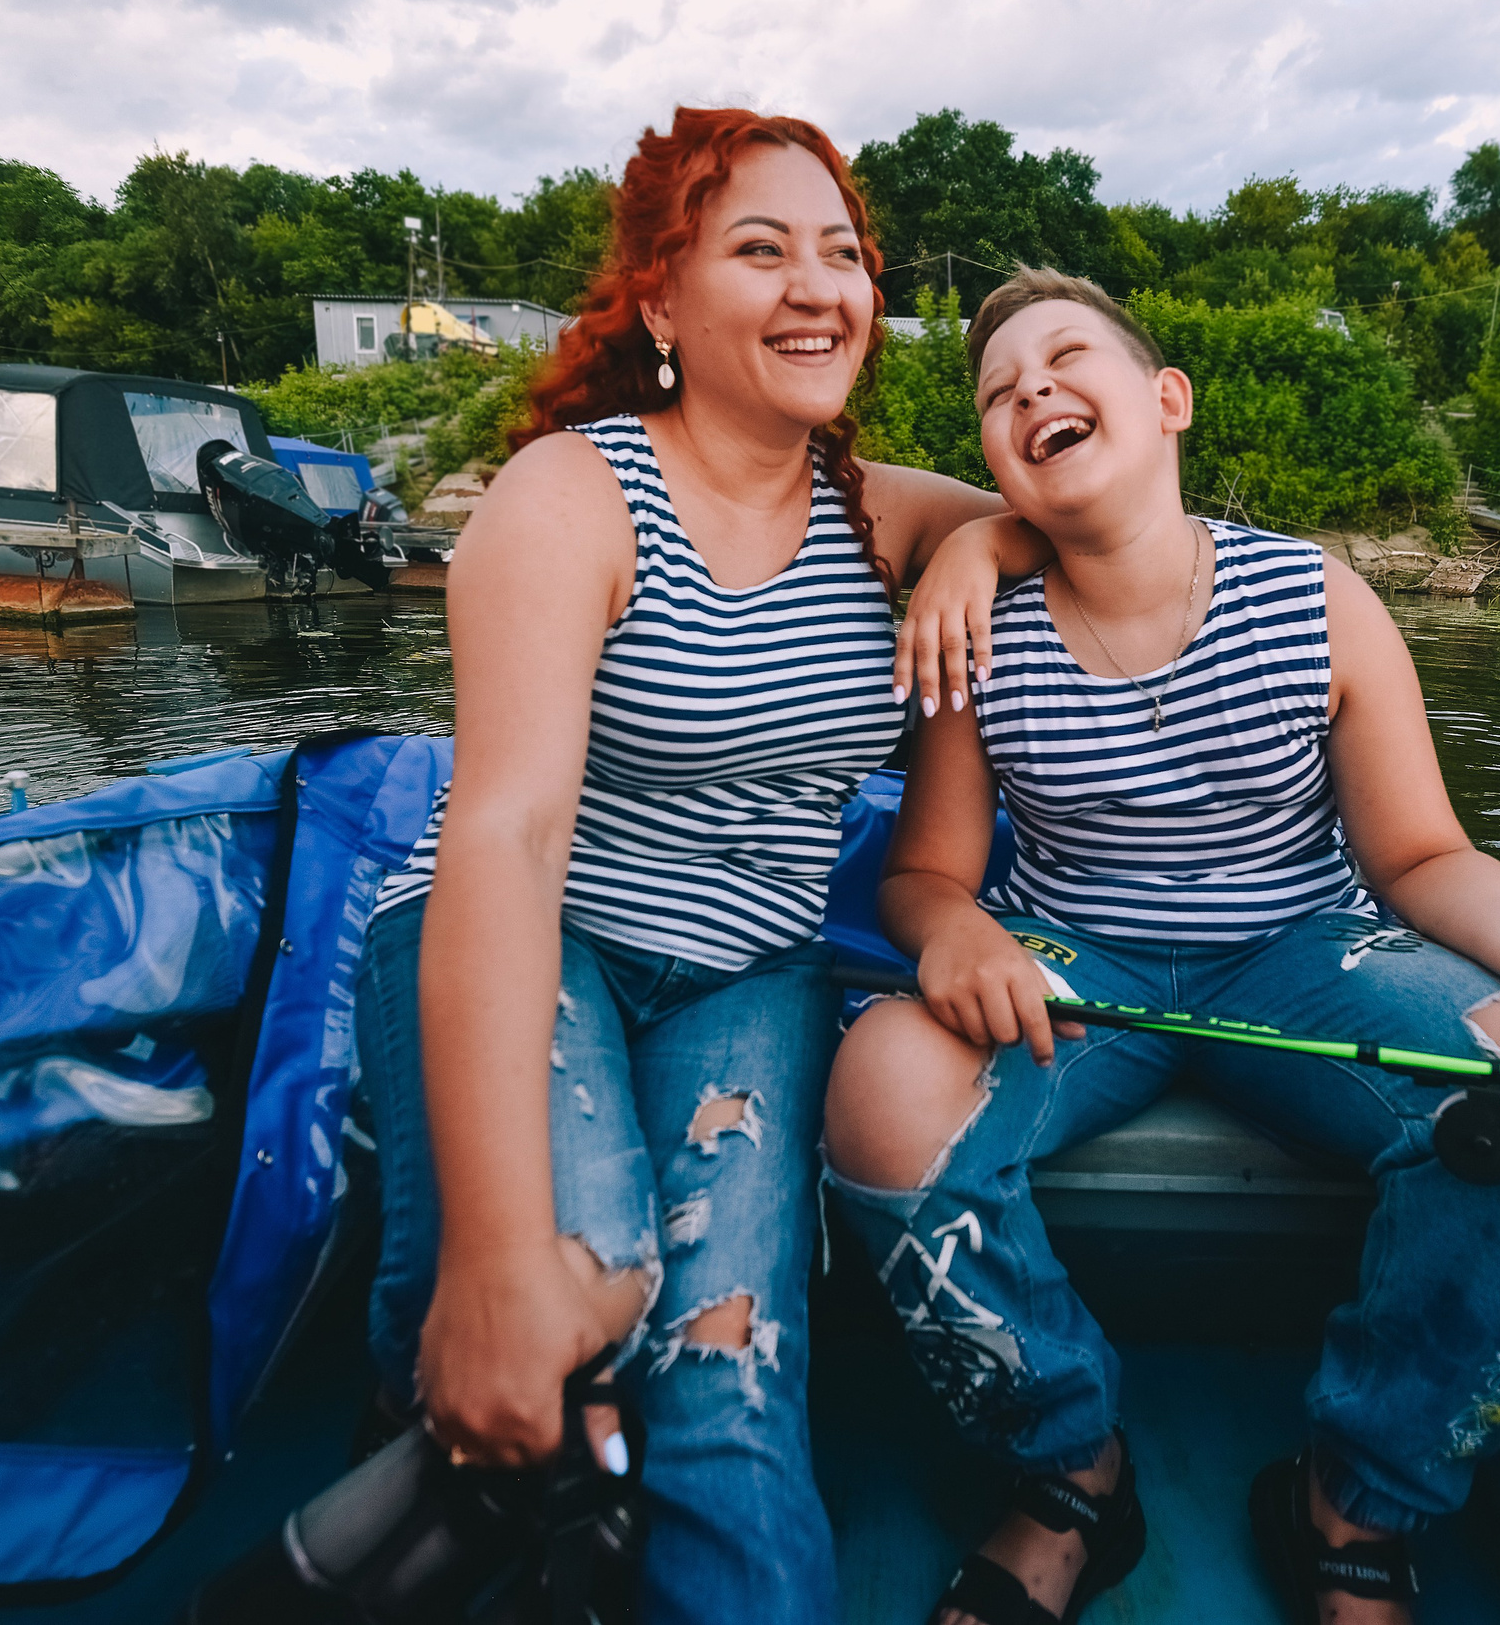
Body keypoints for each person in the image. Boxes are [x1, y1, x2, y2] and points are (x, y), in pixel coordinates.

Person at [823, 269, 1500, 1625]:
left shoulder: (1320, 602)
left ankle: (1353, 1499)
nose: (1032, 394)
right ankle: (1073, 1471)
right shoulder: (979, 628)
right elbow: (925, 874)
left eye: (1066, 358)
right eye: (998, 394)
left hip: (1307, 953)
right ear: (998, 463)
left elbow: (1422, 858)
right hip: (1075, 959)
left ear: (1167, 400)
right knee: (879, 1090)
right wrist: (955, 927)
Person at [355, 108, 1044, 1625]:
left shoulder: (883, 518)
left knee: (730, 1392)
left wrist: (979, 554)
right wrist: (488, 1256)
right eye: (761, 250)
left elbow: (1047, 516)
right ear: (662, 305)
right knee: (563, 1287)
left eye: (843, 254)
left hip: (749, 977)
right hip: (537, 939)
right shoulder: (574, 496)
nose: (819, 287)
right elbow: (509, 833)